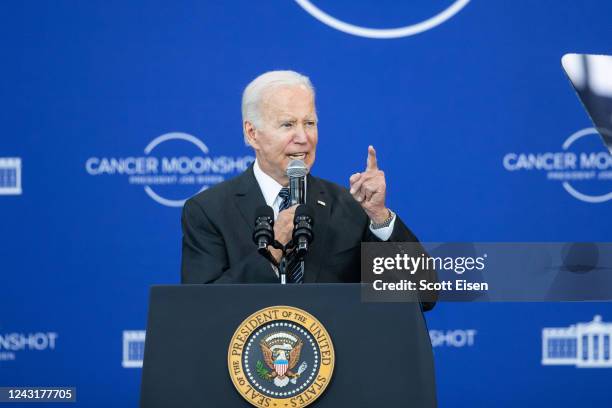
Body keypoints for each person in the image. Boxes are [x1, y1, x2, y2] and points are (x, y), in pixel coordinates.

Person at [181, 70, 434, 309]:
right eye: (287, 125)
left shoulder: (349, 207)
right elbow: (202, 309)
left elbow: (423, 294)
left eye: (310, 123)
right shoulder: (209, 211)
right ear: (252, 133)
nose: (303, 137)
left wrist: (380, 217)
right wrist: (274, 248)